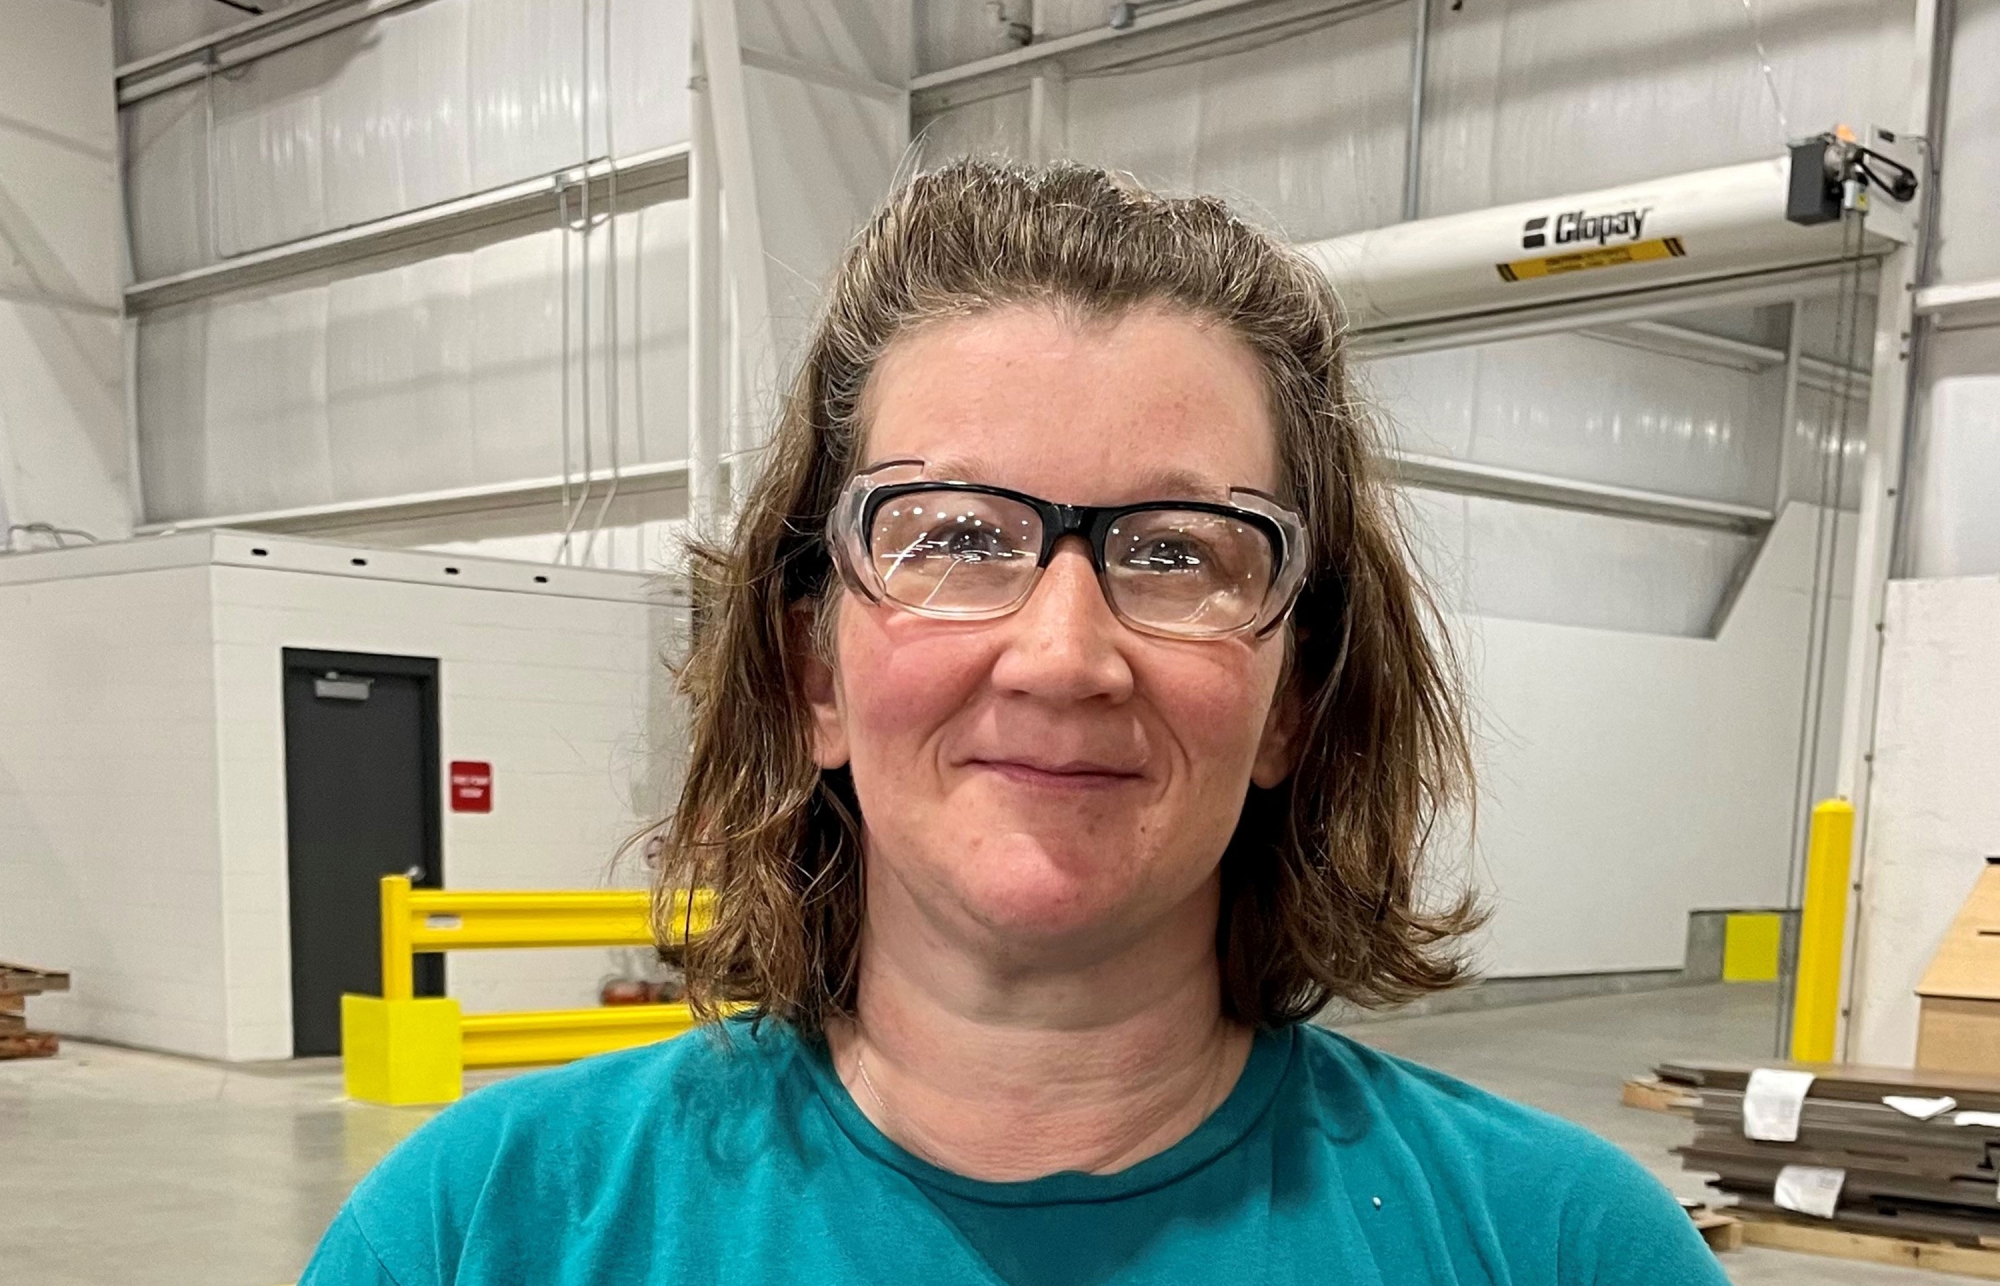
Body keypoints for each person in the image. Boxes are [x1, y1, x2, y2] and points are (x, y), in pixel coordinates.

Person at [300, 160, 1727, 1285]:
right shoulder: (477, 1231)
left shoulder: (1564, 1249)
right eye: (955, 535)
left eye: (1178, 551)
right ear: (813, 672)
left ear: (1294, 696)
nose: (1062, 655)